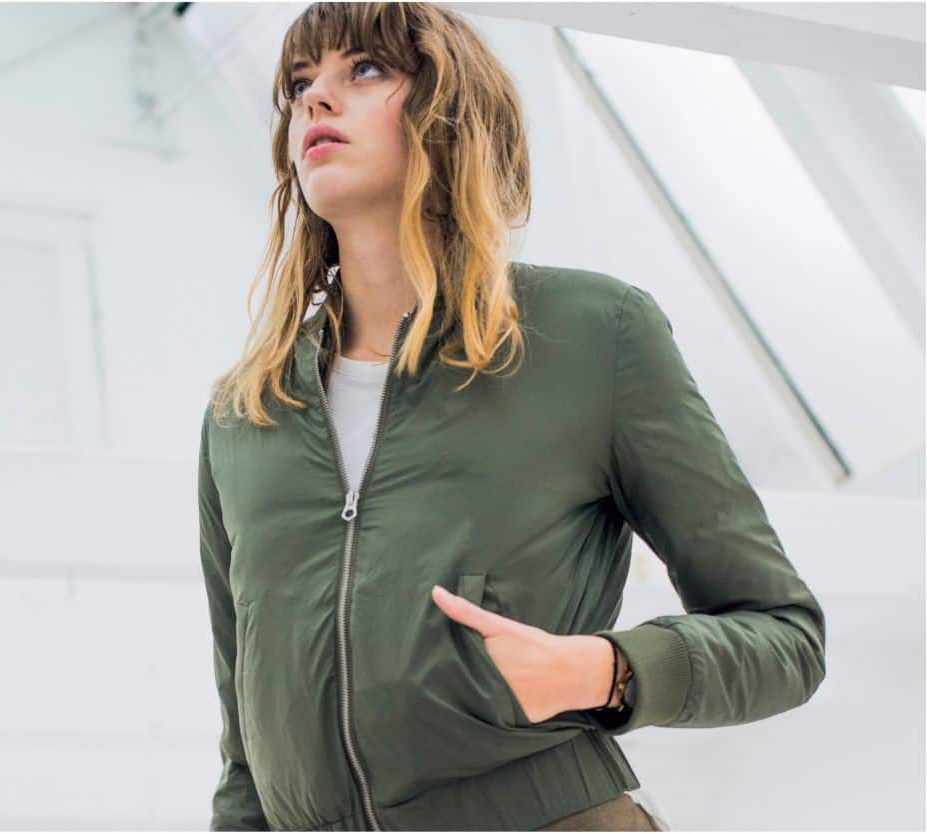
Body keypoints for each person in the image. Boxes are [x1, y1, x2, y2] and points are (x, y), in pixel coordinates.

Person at [197, 3, 827, 831]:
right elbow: (246, 748)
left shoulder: (593, 336)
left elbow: (785, 636)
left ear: (448, 109)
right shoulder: (245, 411)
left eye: (366, 69)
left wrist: (607, 669)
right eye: (298, 83)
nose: (314, 99)